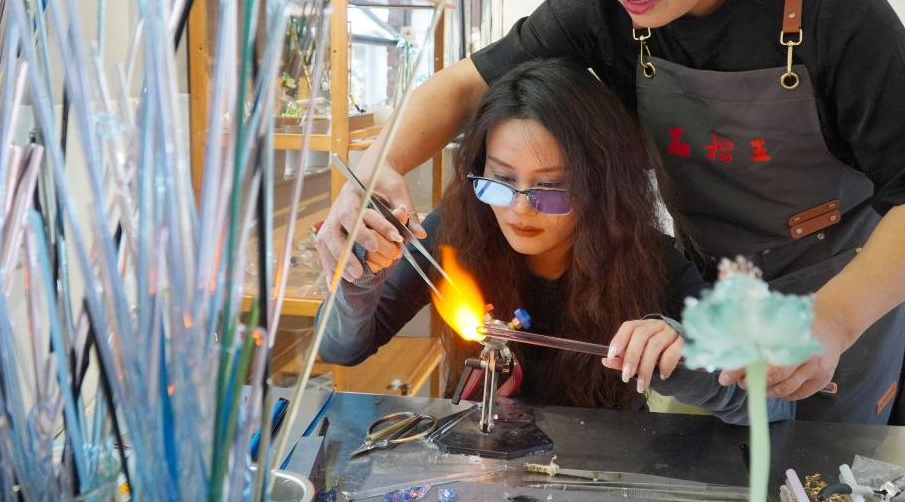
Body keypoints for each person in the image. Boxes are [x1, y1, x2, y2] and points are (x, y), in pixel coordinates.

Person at [316, 0, 905, 424]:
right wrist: (374, 172)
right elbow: (464, 85)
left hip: (836, 283)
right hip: (711, 281)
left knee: (824, 468)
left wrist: (832, 319)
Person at [318, 60, 792, 423]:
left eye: (551, 187)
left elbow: (771, 407)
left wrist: (681, 355)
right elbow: (339, 350)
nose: (520, 209)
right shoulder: (452, 232)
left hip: (602, 471)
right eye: (501, 180)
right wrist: (359, 278)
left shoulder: (651, 261)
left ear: (600, 187)